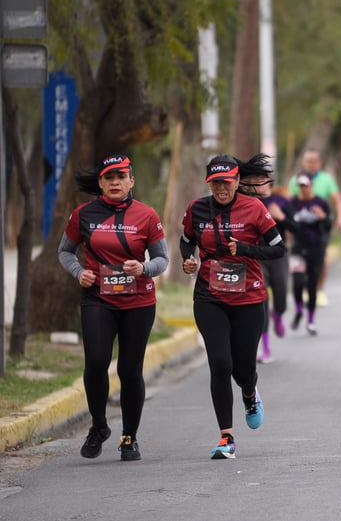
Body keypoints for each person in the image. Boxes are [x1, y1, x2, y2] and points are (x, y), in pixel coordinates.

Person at [58, 154, 169, 462]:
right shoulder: (83, 214)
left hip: (138, 301)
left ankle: (129, 437)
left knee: (129, 369)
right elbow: (65, 251)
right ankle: (98, 426)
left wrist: (144, 268)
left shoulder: (146, 215)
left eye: (121, 177)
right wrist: (80, 273)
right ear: (101, 183)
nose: (115, 182)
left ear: (131, 181)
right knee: (96, 362)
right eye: (109, 178)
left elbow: (162, 260)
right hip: (98, 298)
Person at [180, 155, 287, 459]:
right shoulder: (197, 209)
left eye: (227, 182)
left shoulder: (255, 209)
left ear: (238, 181)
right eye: (215, 183)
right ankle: (226, 436)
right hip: (209, 297)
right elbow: (186, 239)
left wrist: (246, 250)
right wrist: (188, 260)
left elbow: (279, 249)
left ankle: (250, 393)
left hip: (249, 300)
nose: (221, 188)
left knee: (243, 369)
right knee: (219, 363)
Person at [237, 154, 291, 363]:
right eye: (253, 180)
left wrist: (282, 217)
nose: (258, 183)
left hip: (277, 255)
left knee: (281, 297)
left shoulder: (280, 201)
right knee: (262, 302)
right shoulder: (248, 203)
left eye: (262, 178)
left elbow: (295, 227)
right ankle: (266, 348)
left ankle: (279, 314)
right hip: (256, 256)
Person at [288, 148, 341, 307]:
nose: (311, 164)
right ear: (303, 162)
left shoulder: (326, 179)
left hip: (320, 227)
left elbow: (337, 200)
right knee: (300, 258)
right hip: (300, 227)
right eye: (308, 161)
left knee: (321, 258)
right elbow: (288, 203)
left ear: (319, 163)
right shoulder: (296, 180)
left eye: (314, 161)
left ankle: (319, 289)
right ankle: (304, 289)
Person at [286, 171, 331, 335]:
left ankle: (311, 320)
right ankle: (299, 310)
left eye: (306, 185)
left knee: (312, 285)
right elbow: (287, 223)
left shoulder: (320, 202)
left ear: (311, 185)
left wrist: (323, 217)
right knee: (297, 282)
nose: (303, 188)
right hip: (297, 248)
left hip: (316, 248)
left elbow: (328, 226)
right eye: (300, 185)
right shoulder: (292, 203)